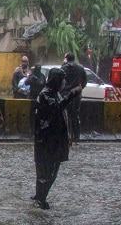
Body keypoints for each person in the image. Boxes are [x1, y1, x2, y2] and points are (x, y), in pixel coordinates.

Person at [33, 67, 80, 210]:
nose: (64, 82)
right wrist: (72, 94)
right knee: (48, 171)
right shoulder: (46, 95)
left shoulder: (54, 93)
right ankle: (41, 198)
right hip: (47, 140)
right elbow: (57, 109)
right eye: (62, 79)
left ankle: (40, 195)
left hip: (54, 138)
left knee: (49, 170)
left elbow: (62, 115)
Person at [61, 52, 87, 143]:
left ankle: (66, 136)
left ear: (67, 59)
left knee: (65, 116)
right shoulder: (80, 68)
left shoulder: (63, 68)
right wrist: (80, 88)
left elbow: (59, 80)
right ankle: (76, 137)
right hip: (76, 94)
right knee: (75, 116)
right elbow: (85, 81)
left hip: (66, 95)